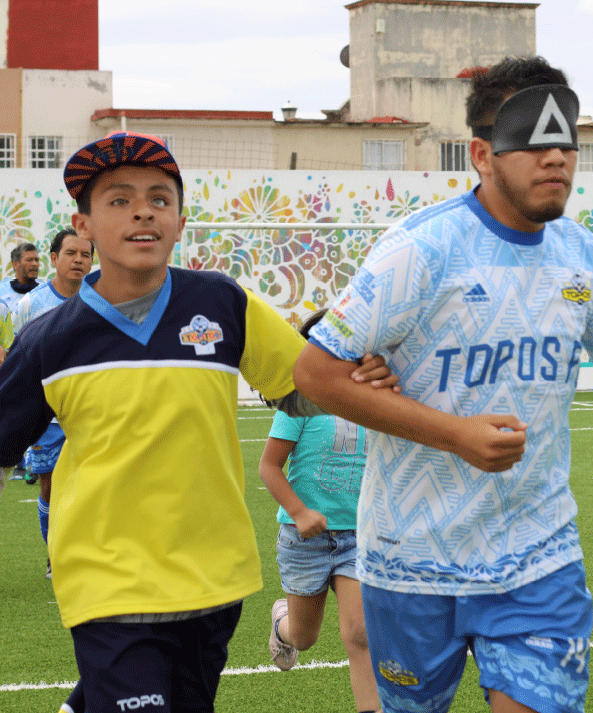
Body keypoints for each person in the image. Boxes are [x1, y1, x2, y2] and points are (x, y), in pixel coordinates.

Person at [291, 56, 593, 713]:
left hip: (538, 558)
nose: (555, 158)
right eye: (531, 140)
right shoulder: (422, 248)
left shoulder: (581, 254)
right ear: (482, 154)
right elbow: (314, 373)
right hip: (411, 560)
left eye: (565, 141)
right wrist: (454, 434)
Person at [0, 130, 396, 713]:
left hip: (212, 578)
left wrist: (364, 381)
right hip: (106, 579)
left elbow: (304, 391)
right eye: (118, 199)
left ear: (181, 222)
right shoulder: (49, 341)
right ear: (83, 226)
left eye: (160, 199)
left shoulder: (223, 303)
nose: (143, 210)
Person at [260, 308, 382, 713]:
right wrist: (298, 512)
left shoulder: (376, 401)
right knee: (304, 636)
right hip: (304, 541)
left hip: (359, 537)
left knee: (361, 633)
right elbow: (269, 467)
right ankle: (282, 624)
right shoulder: (298, 407)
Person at [10, 227, 94, 576]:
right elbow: (21, 354)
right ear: (55, 259)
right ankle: (55, 556)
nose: (78, 260)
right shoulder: (32, 304)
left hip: (91, 411)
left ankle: (87, 553)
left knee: (91, 485)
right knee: (50, 483)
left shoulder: (102, 298)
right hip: (48, 413)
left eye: (86, 254)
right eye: (71, 253)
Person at [0, 242, 41, 311]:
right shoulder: (2, 291)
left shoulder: (44, 291)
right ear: (15, 264)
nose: (35, 264)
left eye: (36, 260)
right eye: (29, 260)